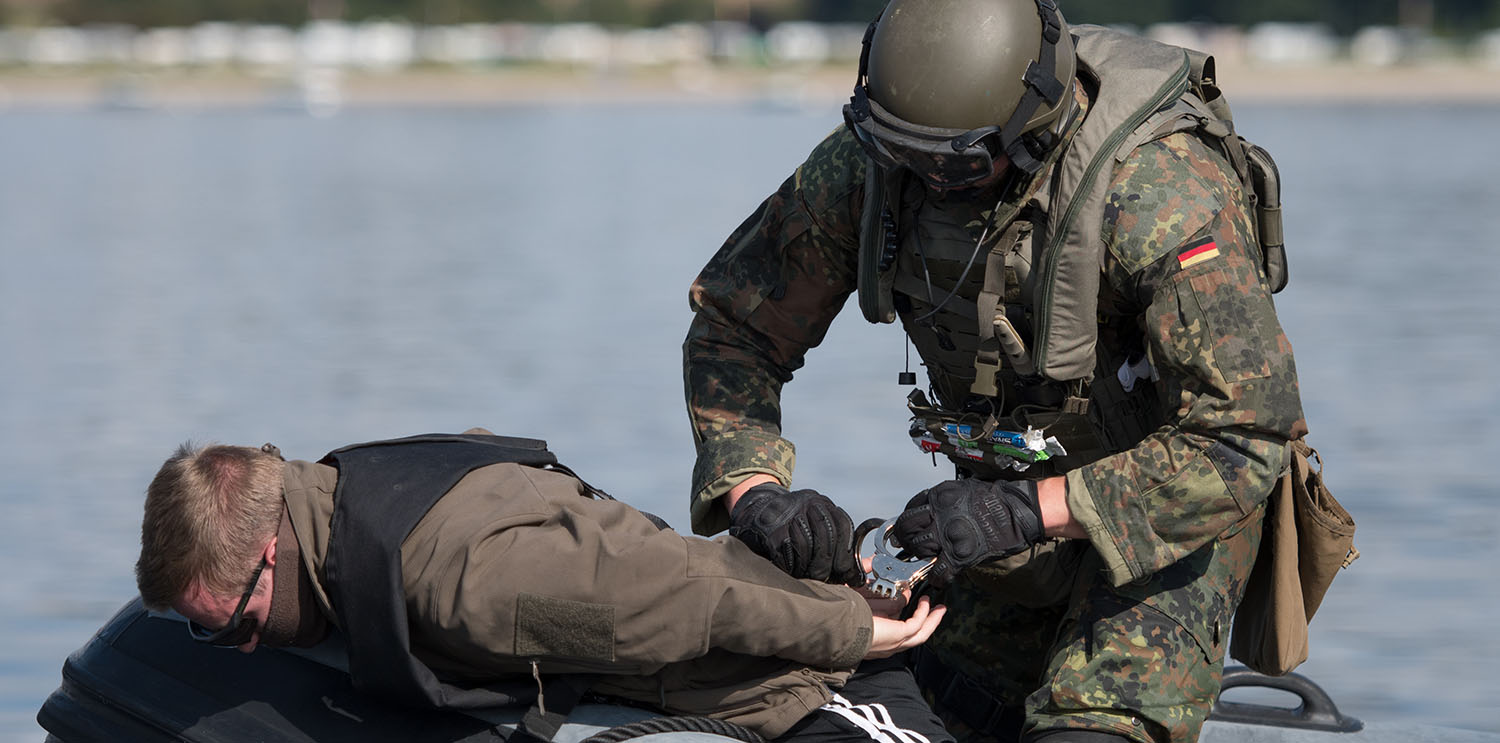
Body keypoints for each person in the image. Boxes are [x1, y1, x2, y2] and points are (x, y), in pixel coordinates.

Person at [682, 1, 1308, 742]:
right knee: (910, 708)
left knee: (1085, 728)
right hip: (999, 514)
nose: (932, 183)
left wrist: (1023, 511)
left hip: (1171, 517)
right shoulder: (880, 165)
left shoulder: (1161, 192)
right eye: (906, 155)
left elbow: (1243, 435)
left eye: (960, 166)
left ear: (1031, 126)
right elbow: (735, 328)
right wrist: (755, 492)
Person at [134, 430, 953, 743]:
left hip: (799, 679)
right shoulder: (352, 484)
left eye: (230, 622)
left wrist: (852, 629)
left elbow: (678, 599)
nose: (236, 644)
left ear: (269, 554)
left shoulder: (456, 585)